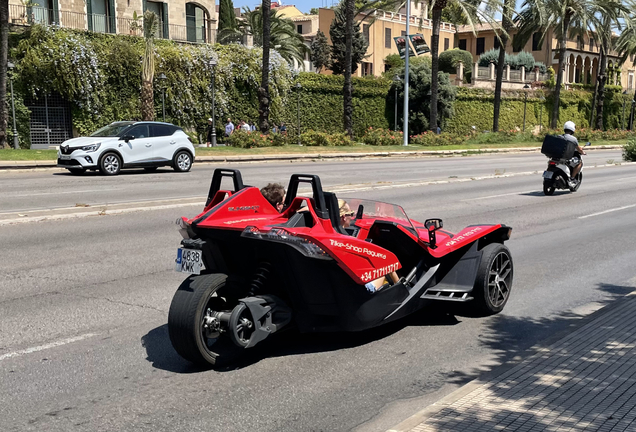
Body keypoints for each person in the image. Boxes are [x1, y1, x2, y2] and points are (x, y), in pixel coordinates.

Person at [337, 199, 398, 293]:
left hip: (341, 286)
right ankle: (401, 289)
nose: (352, 217)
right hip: (359, 290)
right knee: (385, 264)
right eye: (351, 213)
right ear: (344, 217)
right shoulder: (346, 241)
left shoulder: (331, 238)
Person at [562, 121, 586, 185]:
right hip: (567, 158)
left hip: (558, 157)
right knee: (579, 163)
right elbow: (579, 149)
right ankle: (572, 178)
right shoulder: (573, 139)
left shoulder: (559, 137)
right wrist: (582, 152)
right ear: (572, 129)